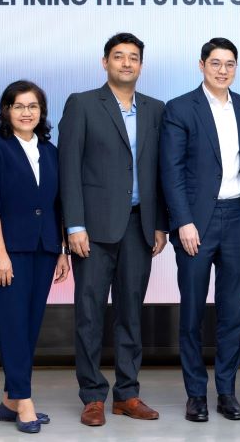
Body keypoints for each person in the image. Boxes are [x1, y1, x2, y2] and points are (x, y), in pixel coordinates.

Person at [58, 33, 168, 428]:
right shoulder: (83, 104)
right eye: (118, 56)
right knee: (90, 314)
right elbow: (68, 167)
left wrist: (160, 223)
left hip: (140, 226)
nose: (126, 63)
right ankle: (92, 396)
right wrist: (74, 225)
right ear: (104, 62)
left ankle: (127, 394)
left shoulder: (156, 110)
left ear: (141, 65)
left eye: (133, 57)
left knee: (130, 313)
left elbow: (161, 170)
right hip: (93, 229)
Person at [159, 38, 240, 422]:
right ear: (201, 65)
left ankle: (227, 392)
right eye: (215, 63)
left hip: (237, 218)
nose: (222, 70)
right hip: (196, 222)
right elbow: (171, 170)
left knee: (233, 313)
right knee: (192, 312)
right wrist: (182, 221)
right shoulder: (180, 108)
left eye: (229, 64)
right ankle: (196, 394)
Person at [0, 80, 71, 434]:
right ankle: (24, 400)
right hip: (9, 251)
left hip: (45, 249)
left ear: (41, 112)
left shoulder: (51, 152)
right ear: (7, 111)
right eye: (19, 106)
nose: (26, 112)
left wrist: (62, 250)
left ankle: (9, 399)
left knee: (29, 325)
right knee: (12, 325)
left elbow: (57, 205)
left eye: (33, 106)